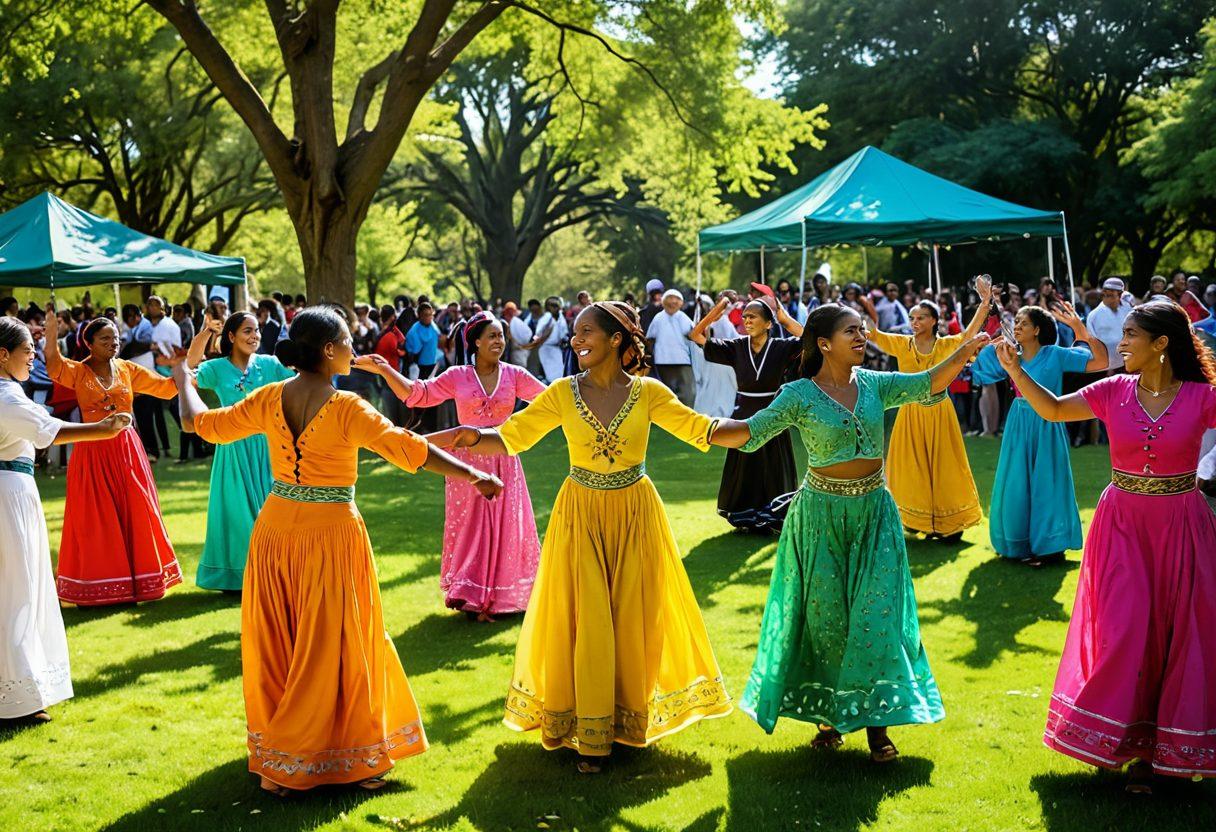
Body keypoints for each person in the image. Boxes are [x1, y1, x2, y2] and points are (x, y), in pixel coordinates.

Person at [172, 305, 503, 794]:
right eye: (348, 341)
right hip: (330, 534)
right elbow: (407, 449)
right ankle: (347, 759)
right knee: (338, 640)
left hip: (276, 529)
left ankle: (286, 760)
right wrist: (474, 473)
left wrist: (183, 378)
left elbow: (199, 424)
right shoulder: (347, 406)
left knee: (284, 640)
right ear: (329, 350)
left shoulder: (270, 397)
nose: (354, 350)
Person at [430, 301, 733, 772]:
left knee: (634, 616)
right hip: (581, 514)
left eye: (586, 331)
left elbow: (703, 429)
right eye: (575, 332)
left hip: (636, 514)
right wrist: (466, 437)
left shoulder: (649, 393)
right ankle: (590, 735)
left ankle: (627, 722)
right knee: (588, 619)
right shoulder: (561, 394)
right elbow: (511, 438)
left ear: (616, 339)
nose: (576, 339)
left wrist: (764, 424)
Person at [710, 304, 990, 761]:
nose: (861, 337)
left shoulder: (876, 383)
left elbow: (927, 382)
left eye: (862, 331)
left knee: (876, 620)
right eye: (850, 332)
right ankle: (828, 718)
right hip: (820, 517)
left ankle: (877, 726)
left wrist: (965, 350)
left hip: (874, 514)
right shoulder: (799, 393)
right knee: (827, 623)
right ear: (824, 344)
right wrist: (700, 429)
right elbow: (753, 431)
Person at [992, 301, 1216, 792]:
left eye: (1132, 334)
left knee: (1180, 636)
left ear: (1162, 343)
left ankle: (1166, 752)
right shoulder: (1113, 390)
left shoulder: (1203, 397)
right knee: (1125, 629)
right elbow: (1051, 409)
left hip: (1181, 524)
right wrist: (1013, 368)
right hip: (1121, 528)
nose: (1121, 343)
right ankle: (1128, 742)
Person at [372, 312, 545, 619]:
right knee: (472, 525)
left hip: (505, 457)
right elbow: (417, 395)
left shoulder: (515, 375)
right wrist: (386, 370)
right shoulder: (457, 376)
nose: (498, 342)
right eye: (491, 336)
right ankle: (472, 595)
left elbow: (549, 401)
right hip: (466, 462)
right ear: (475, 342)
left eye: (501, 336)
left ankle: (504, 596)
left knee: (506, 523)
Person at [0, 319, 132, 722]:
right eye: (27, 351)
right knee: (18, 589)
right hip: (8, 495)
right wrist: (103, 429)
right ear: (3, 355)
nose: (33, 357)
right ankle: (17, 698)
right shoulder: (6, 396)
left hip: (13, 487)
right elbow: (49, 431)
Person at [43, 306, 183, 605]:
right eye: (105, 339)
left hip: (126, 449)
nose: (113, 343)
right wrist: (52, 332)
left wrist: (187, 362)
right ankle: (99, 585)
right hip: (92, 448)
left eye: (115, 338)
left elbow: (167, 389)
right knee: (96, 514)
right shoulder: (78, 371)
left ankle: (139, 582)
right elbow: (53, 364)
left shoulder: (128, 369)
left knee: (135, 508)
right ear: (89, 343)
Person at [970, 303, 1108, 565]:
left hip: (1048, 420)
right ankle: (1016, 542)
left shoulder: (1055, 354)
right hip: (1018, 421)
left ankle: (1050, 547)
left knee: (1047, 481)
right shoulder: (1013, 356)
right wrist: (988, 343)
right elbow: (977, 369)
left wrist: (1079, 328)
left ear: (1037, 329)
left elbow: (1100, 361)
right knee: (1016, 481)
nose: (1017, 327)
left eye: (1023, 322)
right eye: (1016, 322)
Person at [858, 276, 995, 539]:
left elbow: (968, 336)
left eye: (920, 317)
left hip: (940, 412)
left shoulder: (945, 345)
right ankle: (914, 518)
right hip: (910, 413)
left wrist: (985, 302)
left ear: (934, 320)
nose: (915, 322)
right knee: (910, 467)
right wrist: (865, 311)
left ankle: (949, 523)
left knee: (945, 466)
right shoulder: (901, 344)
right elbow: (873, 335)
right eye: (912, 318)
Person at [185, 312, 294, 592]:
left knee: (272, 512)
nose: (254, 336)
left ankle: (274, 573)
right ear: (231, 337)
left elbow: (299, 378)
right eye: (247, 331)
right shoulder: (217, 368)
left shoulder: (270, 364)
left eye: (256, 330)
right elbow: (190, 366)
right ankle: (238, 576)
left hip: (268, 447)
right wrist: (207, 331)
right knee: (236, 511)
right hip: (232, 448)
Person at [691, 292, 802, 532]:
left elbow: (809, 339)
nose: (747, 321)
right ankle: (745, 515)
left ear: (768, 323)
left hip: (774, 413)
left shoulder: (782, 347)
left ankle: (775, 514)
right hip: (744, 415)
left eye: (753, 317)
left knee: (773, 464)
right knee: (745, 466)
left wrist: (784, 317)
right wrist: (718, 309)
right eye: (744, 317)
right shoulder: (736, 346)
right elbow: (696, 335)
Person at [646, 289, 696, 406]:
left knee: (687, 393)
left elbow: (693, 335)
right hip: (663, 361)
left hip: (682, 360)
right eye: (670, 299)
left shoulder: (683, 317)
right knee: (668, 392)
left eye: (676, 299)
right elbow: (650, 339)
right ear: (663, 302)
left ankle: (686, 416)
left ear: (681, 303)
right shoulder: (658, 318)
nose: (673, 302)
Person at [690, 294, 738, 418]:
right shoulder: (700, 327)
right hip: (709, 364)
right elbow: (696, 336)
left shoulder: (724, 323)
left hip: (723, 366)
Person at [1086, 278, 1133, 374]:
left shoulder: (1128, 309)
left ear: (1120, 294)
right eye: (1106, 293)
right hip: (1106, 367)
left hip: (1130, 362)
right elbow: (1093, 343)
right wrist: (1108, 366)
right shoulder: (1094, 315)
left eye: (1111, 293)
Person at [535, 297, 568, 382]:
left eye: (556, 305)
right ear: (547, 307)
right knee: (550, 375)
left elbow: (564, 333)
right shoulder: (546, 318)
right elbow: (538, 333)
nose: (555, 308)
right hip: (546, 348)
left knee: (560, 373)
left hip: (556, 348)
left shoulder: (559, 318)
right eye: (553, 305)